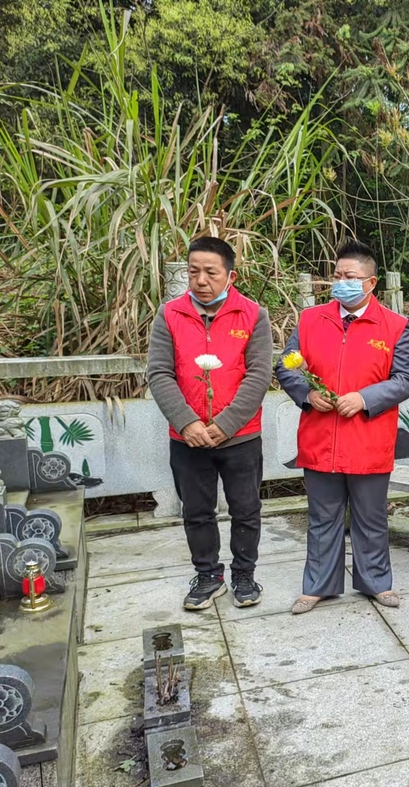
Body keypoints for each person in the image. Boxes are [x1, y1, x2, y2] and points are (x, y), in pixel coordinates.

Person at [276, 239, 409, 614]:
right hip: (321, 436)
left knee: (371, 518)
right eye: (337, 275)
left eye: (350, 276)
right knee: (323, 517)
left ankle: (376, 582)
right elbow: (286, 365)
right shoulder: (311, 319)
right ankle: (318, 584)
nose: (341, 282)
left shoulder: (394, 325)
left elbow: (406, 378)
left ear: (370, 283)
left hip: (368, 438)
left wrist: (365, 399)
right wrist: (307, 394)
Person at [147, 236, 272, 610]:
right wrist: (187, 423)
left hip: (240, 437)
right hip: (188, 439)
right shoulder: (169, 314)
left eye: (211, 272)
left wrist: (227, 423)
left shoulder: (252, 314)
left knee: (246, 509)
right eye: (193, 271)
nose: (201, 280)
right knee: (197, 511)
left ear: (230, 276)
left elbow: (259, 374)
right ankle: (208, 575)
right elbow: (159, 373)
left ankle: (244, 574)